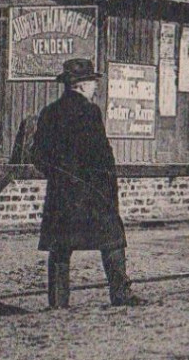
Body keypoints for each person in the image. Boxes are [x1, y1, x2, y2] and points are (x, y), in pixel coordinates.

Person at [32, 57, 143, 309]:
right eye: (93, 82)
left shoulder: (49, 113)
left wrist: (59, 176)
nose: (95, 87)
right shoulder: (89, 112)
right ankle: (120, 293)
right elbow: (100, 155)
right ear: (81, 85)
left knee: (61, 247)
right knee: (113, 239)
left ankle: (58, 302)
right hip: (93, 192)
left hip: (62, 194)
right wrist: (107, 186)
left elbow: (37, 154)